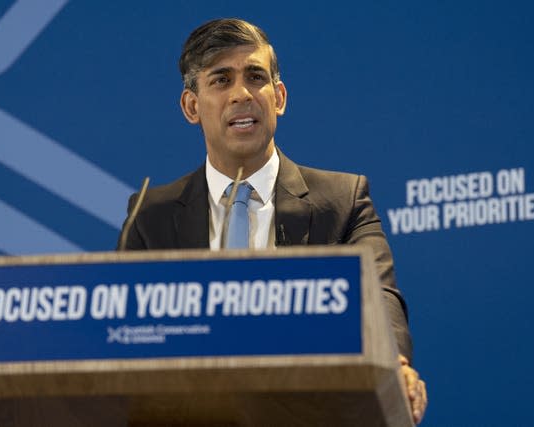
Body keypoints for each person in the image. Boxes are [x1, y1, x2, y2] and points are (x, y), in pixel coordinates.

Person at [118, 18, 427, 423]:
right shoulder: (149, 217)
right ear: (192, 106)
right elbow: (124, 343)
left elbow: (378, 298)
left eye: (255, 77)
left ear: (278, 97)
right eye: (221, 80)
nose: (242, 94)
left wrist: (395, 364)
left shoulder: (342, 201)